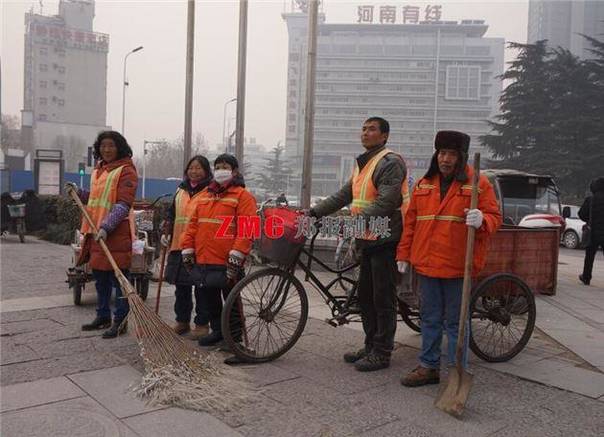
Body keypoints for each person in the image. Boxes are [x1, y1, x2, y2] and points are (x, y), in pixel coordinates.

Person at [397, 130, 502, 387]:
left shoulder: (478, 183)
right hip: (427, 264)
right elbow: (410, 223)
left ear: (461, 156)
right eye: (442, 153)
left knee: (456, 322)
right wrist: (404, 254)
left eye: (451, 154)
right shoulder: (424, 184)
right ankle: (428, 366)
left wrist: (482, 220)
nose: (445, 159)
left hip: (458, 266)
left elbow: (495, 217)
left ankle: (457, 369)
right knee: (429, 318)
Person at [310, 117, 409, 372]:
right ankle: (370, 345)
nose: (365, 133)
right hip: (367, 238)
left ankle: (383, 352)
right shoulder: (362, 164)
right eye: (364, 129)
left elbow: (386, 202)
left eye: (372, 129)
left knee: (382, 298)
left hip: (385, 238)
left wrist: (351, 223)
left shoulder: (390, 163)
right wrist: (313, 213)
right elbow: (344, 195)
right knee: (365, 297)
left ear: (384, 136)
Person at [179, 154, 257, 350]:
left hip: (228, 259)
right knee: (209, 299)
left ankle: (234, 338)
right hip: (204, 258)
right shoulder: (206, 195)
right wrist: (187, 248)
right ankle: (218, 331)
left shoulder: (243, 196)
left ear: (235, 171)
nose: (221, 170)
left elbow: (248, 229)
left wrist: (237, 254)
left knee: (231, 301)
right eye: (218, 166)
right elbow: (193, 225)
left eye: (225, 167)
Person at [66, 131, 138, 339]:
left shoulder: (126, 171)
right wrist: (79, 192)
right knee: (100, 279)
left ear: (120, 147)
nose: (106, 149)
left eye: (111, 146)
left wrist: (107, 226)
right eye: (103, 146)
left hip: (115, 233)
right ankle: (103, 315)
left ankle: (120, 320)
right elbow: (95, 198)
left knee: (118, 279)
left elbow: (124, 204)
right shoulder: (99, 171)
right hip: (96, 232)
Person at [161, 155, 213, 338]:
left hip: (199, 248)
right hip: (178, 245)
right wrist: (165, 230)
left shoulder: (210, 191)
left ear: (206, 171)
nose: (194, 171)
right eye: (191, 168)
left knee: (201, 288)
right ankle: (182, 321)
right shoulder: (180, 190)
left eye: (198, 168)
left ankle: (201, 324)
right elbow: (171, 214)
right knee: (181, 287)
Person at [578, 177, 604, 286]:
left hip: (593, 233)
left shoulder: (590, 199)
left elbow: (581, 214)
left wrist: (589, 220)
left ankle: (586, 277)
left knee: (589, 256)